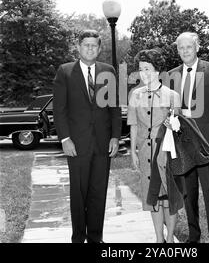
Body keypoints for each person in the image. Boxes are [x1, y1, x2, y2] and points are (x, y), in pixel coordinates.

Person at [53, 29, 122, 243]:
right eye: (86, 45)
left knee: (98, 192)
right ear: (78, 47)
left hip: (103, 143)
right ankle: (78, 237)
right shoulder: (65, 72)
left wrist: (115, 137)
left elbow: (114, 107)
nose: (90, 48)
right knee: (79, 193)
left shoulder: (108, 70)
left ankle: (95, 237)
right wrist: (65, 139)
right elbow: (59, 110)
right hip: (77, 144)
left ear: (99, 48)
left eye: (94, 45)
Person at [169, 32, 209, 243]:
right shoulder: (171, 75)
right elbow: (169, 111)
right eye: (181, 48)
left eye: (189, 47)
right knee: (188, 193)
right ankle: (194, 236)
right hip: (183, 145)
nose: (185, 51)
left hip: (208, 143)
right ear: (177, 50)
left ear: (197, 47)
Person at [127, 49, 184, 243]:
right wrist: (133, 151)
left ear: (158, 71)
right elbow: (133, 125)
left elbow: (179, 127)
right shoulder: (135, 95)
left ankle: (169, 238)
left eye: (148, 69)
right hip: (145, 152)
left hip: (166, 152)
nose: (144, 73)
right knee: (153, 197)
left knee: (169, 196)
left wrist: (173, 125)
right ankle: (159, 238)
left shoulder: (172, 95)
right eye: (141, 69)